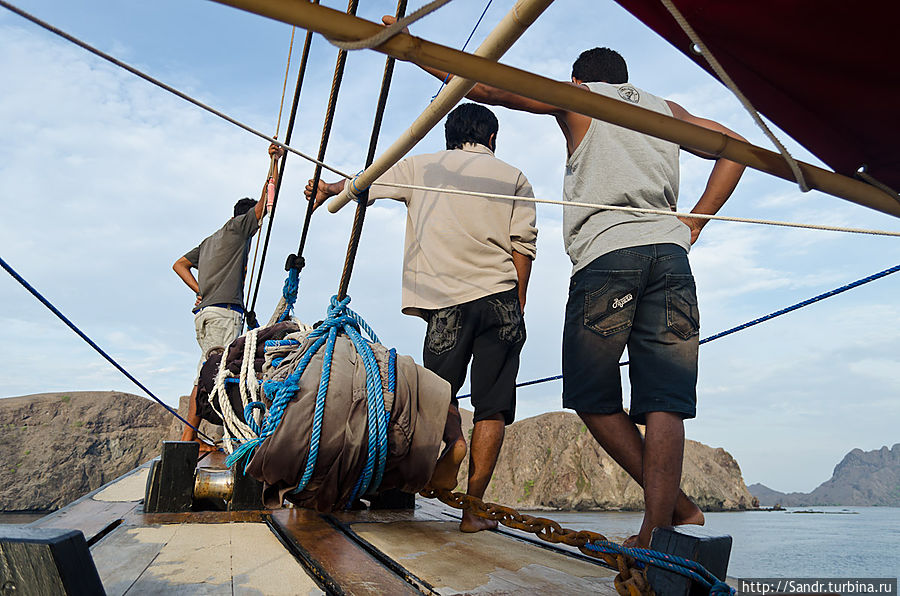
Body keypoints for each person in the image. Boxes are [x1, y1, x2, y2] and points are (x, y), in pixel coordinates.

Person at [409, 41, 746, 547]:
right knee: (665, 400)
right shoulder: (666, 110)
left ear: (578, 83)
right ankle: (664, 521)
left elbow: (486, 87)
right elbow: (735, 149)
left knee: (590, 394)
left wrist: (410, 49)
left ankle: (673, 509)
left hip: (608, 260)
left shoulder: (582, 101)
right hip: (671, 258)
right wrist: (693, 223)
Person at [307, 103, 537, 532]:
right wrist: (517, 304)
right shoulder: (515, 176)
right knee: (493, 407)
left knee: (441, 395)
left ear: (449, 137)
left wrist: (328, 190)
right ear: (492, 139)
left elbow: (365, 184)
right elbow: (523, 246)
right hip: (501, 300)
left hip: (447, 304)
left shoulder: (422, 167)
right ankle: (474, 511)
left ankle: (454, 441)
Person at [173, 142, 284, 451]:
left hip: (205, 314)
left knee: (207, 370)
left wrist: (200, 291)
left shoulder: (210, 240)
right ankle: (213, 438)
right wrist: (274, 161)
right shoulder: (238, 229)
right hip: (223, 313)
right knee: (220, 372)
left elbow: (179, 264)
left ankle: (192, 437)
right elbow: (267, 201)